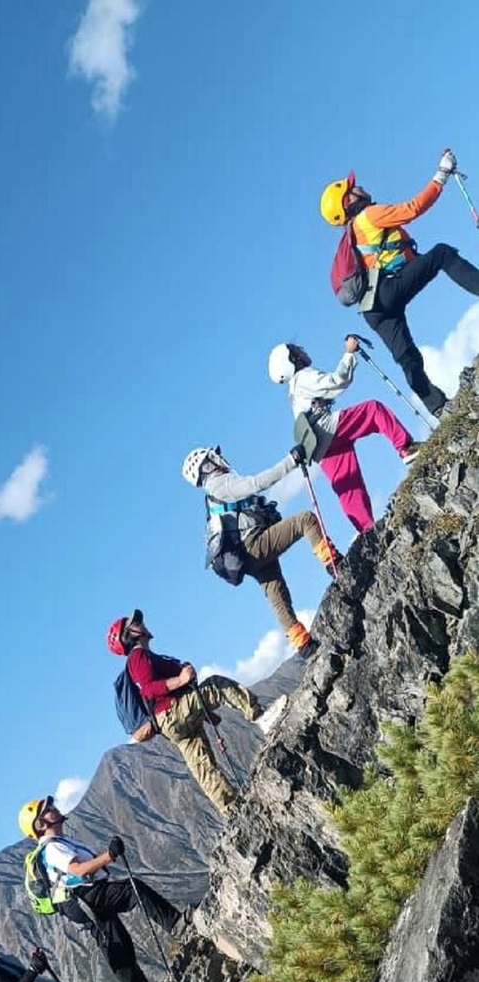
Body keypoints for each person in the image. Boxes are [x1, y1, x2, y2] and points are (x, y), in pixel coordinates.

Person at [320, 149, 479, 417]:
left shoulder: (354, 233)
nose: (359, 187)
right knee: (442, 254)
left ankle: (438, 408)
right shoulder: (368, 216)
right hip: (387, 290)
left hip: (372, 310)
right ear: (348, 201)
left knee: (406, 356)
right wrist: (442, 173)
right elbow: (414, 208)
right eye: (353, 188)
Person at [18, 798, 182, 982]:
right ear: (40, 824)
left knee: (115, 942)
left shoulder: (60, 843)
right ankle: (178, 925)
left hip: (82, 901)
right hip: (85, 896)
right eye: (47, 810)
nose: (53, 808)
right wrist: (110, 855)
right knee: (133, 890)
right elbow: (79, 870)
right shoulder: (53, 848)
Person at [108, 608, 280, 814]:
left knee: (203, 767)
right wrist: (181, 679)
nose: (142, 623)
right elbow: (149, 689)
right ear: (128, 636)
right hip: (172, 713)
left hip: (170, 723)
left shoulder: (144, 657)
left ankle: (232, 811)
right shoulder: (138, 657)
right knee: (216, 685)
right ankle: (261, 717)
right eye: (136, 624)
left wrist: (203, 711)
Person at [181, 447, 341, 660]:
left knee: (276, 591)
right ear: (206, 466)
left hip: (245, 557)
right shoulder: (221, 484)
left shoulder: (211, 498)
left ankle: (304, 645)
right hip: (254, 544)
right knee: (306, 520)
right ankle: (334, 564)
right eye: (213, 457)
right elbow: (257, 483)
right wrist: (291, 461)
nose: (219, 458)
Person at [267, 336, 419, 533]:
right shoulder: (303, 377)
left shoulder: (293, 393)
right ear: (293, 361)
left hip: (318, 447)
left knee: (349, 487)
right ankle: (406, 448)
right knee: (373, 410)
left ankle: (368, 532)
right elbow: (337, 381)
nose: (303, 351)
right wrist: (349, 353)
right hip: (328, 428)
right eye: (297, 351)